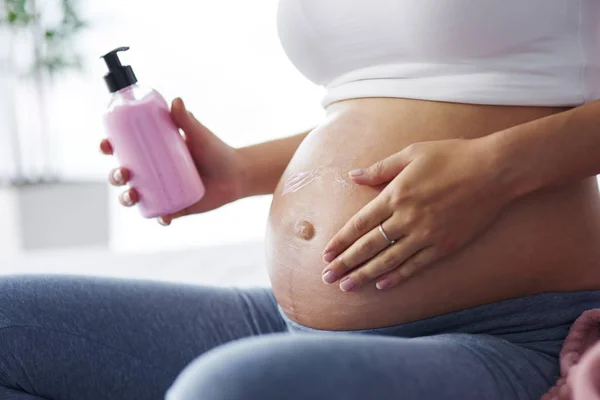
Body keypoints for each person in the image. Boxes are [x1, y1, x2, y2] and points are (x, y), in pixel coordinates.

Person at [2, 1, 600, 399]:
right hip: (286, 321)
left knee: (227, 390)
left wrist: (495, 170)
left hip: (505, 330)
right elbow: (373, 108)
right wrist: (236, 172)